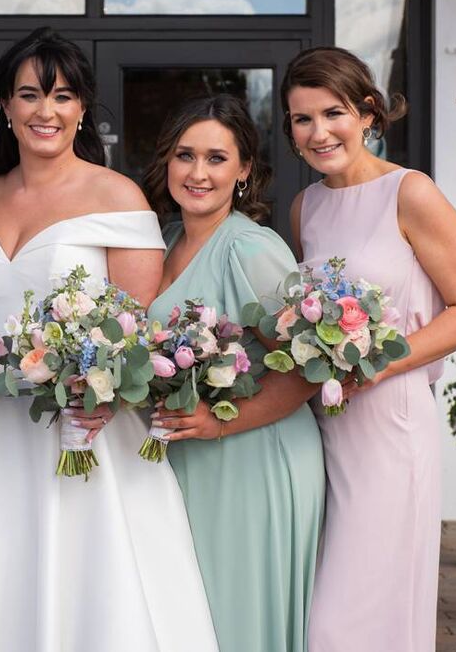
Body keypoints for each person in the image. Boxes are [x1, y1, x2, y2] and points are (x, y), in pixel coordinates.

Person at [0, 28, 217, 652]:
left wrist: (103, 395)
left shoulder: (116, 196)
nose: (46, 110)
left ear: (82, 109)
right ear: (5, 107)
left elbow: (137, 332)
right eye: (29, 95)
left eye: (63, 95)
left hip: (84, 428)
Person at [284, 47, 456, 651]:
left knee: (351, 617)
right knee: (324, 607)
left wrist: (376, 364)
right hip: (326, 424)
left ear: (369, 113)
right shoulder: (307, 206)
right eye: (302, 119)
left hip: (391, 422)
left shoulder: (411, 191)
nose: (319, 133)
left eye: (334, 113)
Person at [144, 95, 326, 651]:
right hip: (193, 459)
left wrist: (219, 422)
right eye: (185, 155)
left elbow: (308, 369)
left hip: (253, 457)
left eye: (216, 158)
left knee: (239, 621)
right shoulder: (165, 240)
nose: (197, 173)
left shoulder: (248, 248)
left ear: (244, 169)